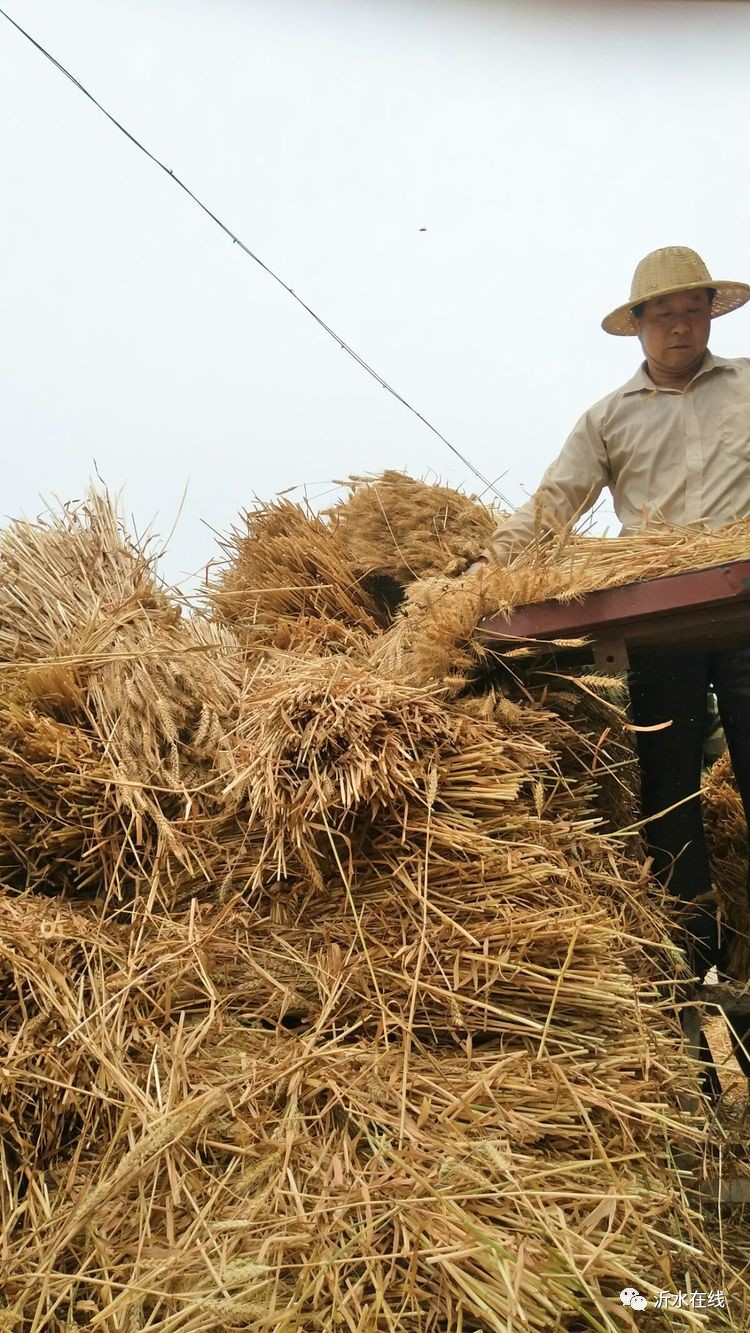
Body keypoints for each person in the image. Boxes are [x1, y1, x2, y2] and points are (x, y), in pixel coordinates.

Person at [473, 246, 750, 1075]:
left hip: (744, 613)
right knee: (667, 793)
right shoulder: (609, 418)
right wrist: (479, 576)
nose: (679, 324)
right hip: (661, 625)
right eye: (662, 313)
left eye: (692, 309)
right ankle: (694, 963)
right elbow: (556, 502)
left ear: (711, 314)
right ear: (637, 326)